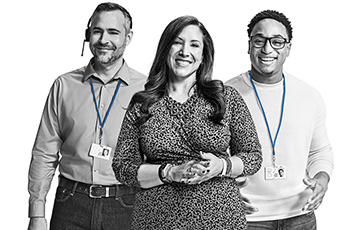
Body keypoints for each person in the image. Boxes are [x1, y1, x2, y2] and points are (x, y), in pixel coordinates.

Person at [112, 15, 262, 229]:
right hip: (156, 221)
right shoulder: (142, 104)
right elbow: (123, 167)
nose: (184, 52)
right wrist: (169, 172)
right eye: (177, 42)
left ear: (203, 55)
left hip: (220, 220)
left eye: (194, 45)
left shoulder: (225, 98)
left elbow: (253, 157)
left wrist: (222, 166)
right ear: (166, 50)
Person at [27, 2, 146, 230]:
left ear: (128, 37)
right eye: (97, 31)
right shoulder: (64, 86)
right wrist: (36, 213)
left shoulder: (147, 90)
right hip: (70, 201)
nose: (103, 39)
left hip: (127, 204)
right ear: (88, 34)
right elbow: (44, 152)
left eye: (113, 32)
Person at [226, 10, 334, 230]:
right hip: (247, 217)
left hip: (300, 214)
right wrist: (224, 191)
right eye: (259, 41)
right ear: (249, 45)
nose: (267, 49)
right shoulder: (225, 95)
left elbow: (320, 151)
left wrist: (322, 180)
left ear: (288, 48)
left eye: (277, 41)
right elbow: (209, 154)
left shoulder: (309, 96)